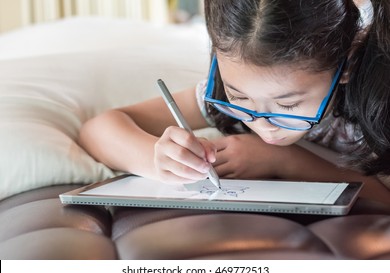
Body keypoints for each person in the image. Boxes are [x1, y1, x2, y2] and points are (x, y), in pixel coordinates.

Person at [79, 0, 390, 204]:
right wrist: (159, 159)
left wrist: (283, 161)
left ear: (346, 66)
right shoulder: (222, 97)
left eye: (288, 106)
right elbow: (99, 130)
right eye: (239, 96)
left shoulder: (378, 103)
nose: (261, 125)